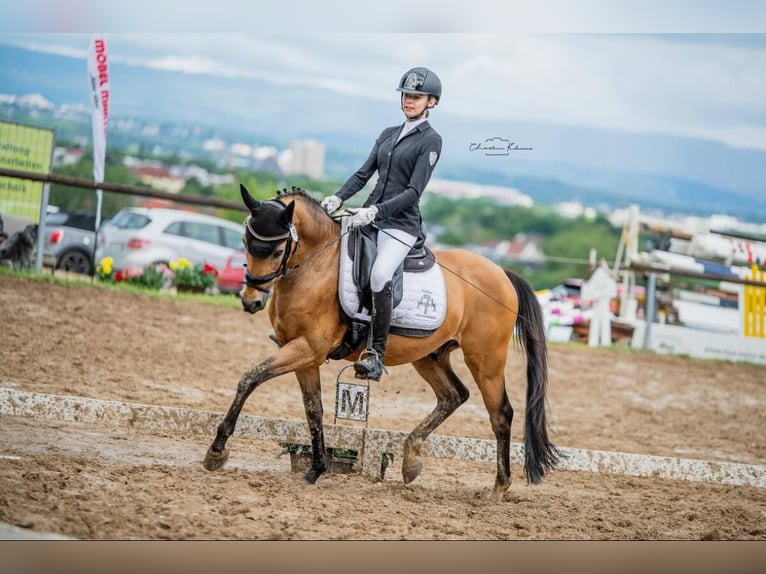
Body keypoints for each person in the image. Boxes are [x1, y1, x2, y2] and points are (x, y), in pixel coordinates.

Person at [320, 66, 443, 381]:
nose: (409, 101)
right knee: (332, 256)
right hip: (369, 216)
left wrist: (376, 212)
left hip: (400, 225)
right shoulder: (388, 134)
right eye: (406, 95)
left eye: (416, 97)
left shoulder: (430, 140)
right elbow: (363, 174)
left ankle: (375, 354)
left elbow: (413, 192)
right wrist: (337, 198)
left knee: (378, 275)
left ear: (431, 102)